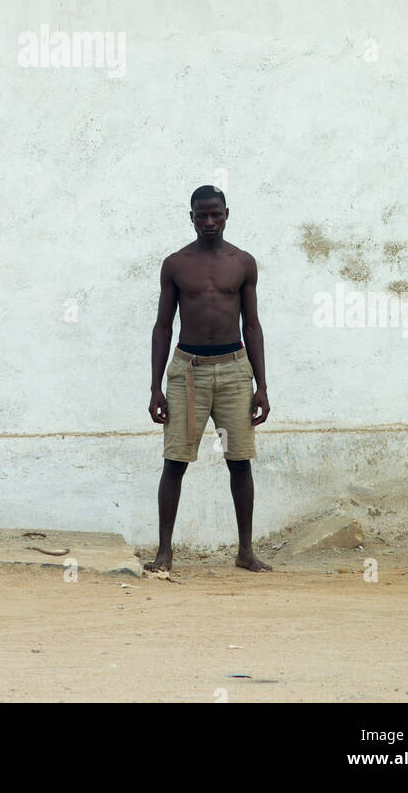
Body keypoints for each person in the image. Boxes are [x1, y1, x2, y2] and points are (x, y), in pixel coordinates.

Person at [146, 185, 271, 573]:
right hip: (188, 371)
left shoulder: (243, 262)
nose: (209, 222)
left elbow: (251, 324)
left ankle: (245, 551)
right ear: (191, 217)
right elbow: (163, 325)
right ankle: (164, 552)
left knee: (239, 460)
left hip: (235, 370)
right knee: (175, 461)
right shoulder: (176, 264)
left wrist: (261, 385)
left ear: (227, 214)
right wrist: (155, 387)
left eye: (215, 214)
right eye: (202, 215)